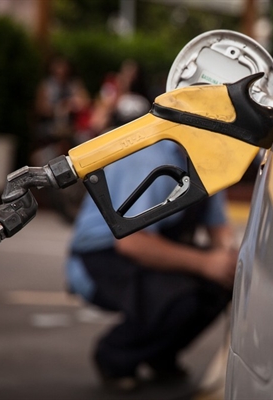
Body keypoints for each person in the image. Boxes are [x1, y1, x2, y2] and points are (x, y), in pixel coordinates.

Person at [66, 140, 237, 392]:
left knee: (218, 285)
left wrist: (227, 259)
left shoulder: (206, 158)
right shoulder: (149, 158)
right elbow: (132, 242)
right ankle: (114, 357)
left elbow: (218, 225)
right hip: (101, 257)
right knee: (179, 297)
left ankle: (159, 354)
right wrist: (206, 263)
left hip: (149, 245)